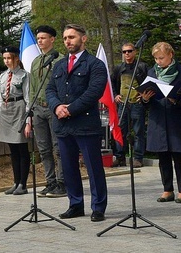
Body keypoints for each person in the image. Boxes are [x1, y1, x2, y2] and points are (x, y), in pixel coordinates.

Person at [46, 24, 108, 222]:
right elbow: (50, 90)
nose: (67, 41)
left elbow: (94, 92)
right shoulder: (59, 65)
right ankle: (75, 204)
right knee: (69, 167)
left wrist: (69, 109)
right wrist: (57, 107)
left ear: (84, 39)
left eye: (71, 37)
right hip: (63, 126)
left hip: (85, 123)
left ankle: (98, 207)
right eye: (65, 38)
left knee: (93, 167)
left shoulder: (95, 64)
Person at [26, 25, 66, 198]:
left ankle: (62, 182)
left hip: (53, 108)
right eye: (38, 38)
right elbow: (33, 87)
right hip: (38, 108)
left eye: (43, 38)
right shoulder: (36, 61)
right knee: (43, 149)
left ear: (52, 39)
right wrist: (31, 109)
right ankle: (50, 182)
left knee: (58, 148)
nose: (40, 41)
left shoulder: (60, 60)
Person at [140, 42, 181, 203]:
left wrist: (175, 100)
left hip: (176, 119)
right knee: (162, 155)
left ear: (171, 54)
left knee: (178, 155)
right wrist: (144, 99)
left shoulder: (179, 71)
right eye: (156, 58)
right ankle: (167, 189)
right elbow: (146, 99)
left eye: (161, 58)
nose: (158, 61)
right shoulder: (152, 72)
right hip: (158, 120)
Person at [0, 46, 30, 195]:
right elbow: (0, 97)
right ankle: (15, 181)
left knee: (22, 148)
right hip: (6, 110)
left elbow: (28, 98)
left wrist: (28, 121)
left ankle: (23, 184)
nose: (6, 61)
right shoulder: (3, 76)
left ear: (16, 58)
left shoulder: (24, 75)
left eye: (9, 58)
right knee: (13, 150)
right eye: (4, 58)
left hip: (19, 109)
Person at [111, 41, 149, 168]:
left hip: (137, 103)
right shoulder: (118, 68)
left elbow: (149, 83)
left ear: (135, 52)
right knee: (120, 130)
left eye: (129, 51)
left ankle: (138, 158)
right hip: (122, 104)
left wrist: (143, 95)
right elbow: (112, 84)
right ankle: (120, 157)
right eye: (124, 51)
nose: (127, 54)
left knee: (138, 131)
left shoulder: (142, 67)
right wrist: (115, 94)